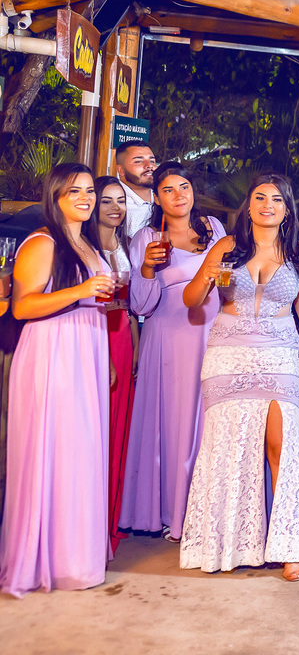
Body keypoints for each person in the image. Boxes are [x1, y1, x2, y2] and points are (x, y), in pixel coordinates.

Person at [178, 175, 299, 583]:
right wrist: (207, 274)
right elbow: (192, 301)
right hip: (227, 356)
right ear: (249, 206)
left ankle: (290, 547)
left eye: (276, 199)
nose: (268, 204)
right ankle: (229, 545)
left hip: (279, 355)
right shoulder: (227, 247)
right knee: (228, 448)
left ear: (287, 209)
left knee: (281, 446)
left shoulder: (298, 251)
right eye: (260, 197)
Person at [0, 164, 115, 597]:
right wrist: (81, 292)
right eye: (74, 191)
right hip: (52, 353)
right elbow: (23, 307)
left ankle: (76, 555)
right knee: (56, 449)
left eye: (89, 191)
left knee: (81, 451)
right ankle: (47, 557)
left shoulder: (86, 242)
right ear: (55, 196)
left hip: (86, 347)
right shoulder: (42, 241)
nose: (85, 198)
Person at [121, 162, 226, 542]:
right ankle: (170, 511)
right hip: (168, 340)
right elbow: (140, 305)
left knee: (210, 422)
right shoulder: (146, 237)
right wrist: (149, 268)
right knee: (173, 423)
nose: (179, 195)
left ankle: (208, 509)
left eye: (184, 187)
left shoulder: (213, 228)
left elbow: (228, 281)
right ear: (157, 198)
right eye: (168, 189)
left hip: (213, 336)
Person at [89, 175, 140, 552]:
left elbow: (130, 305)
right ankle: (88, 523)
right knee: (97, 427)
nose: (115, 207)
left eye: (120, 200)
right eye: (106, 200)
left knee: (119, 427)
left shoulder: (126, 244)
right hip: (95, 334)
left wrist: (136, 344)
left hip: (123, 335)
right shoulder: (85, 246)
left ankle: (110, 519)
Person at [113, 140, 157, 236]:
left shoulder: (163, 197)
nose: (149, 166)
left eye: (152, 161)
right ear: (121, 170)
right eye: (138, 161)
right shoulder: (112, 204)